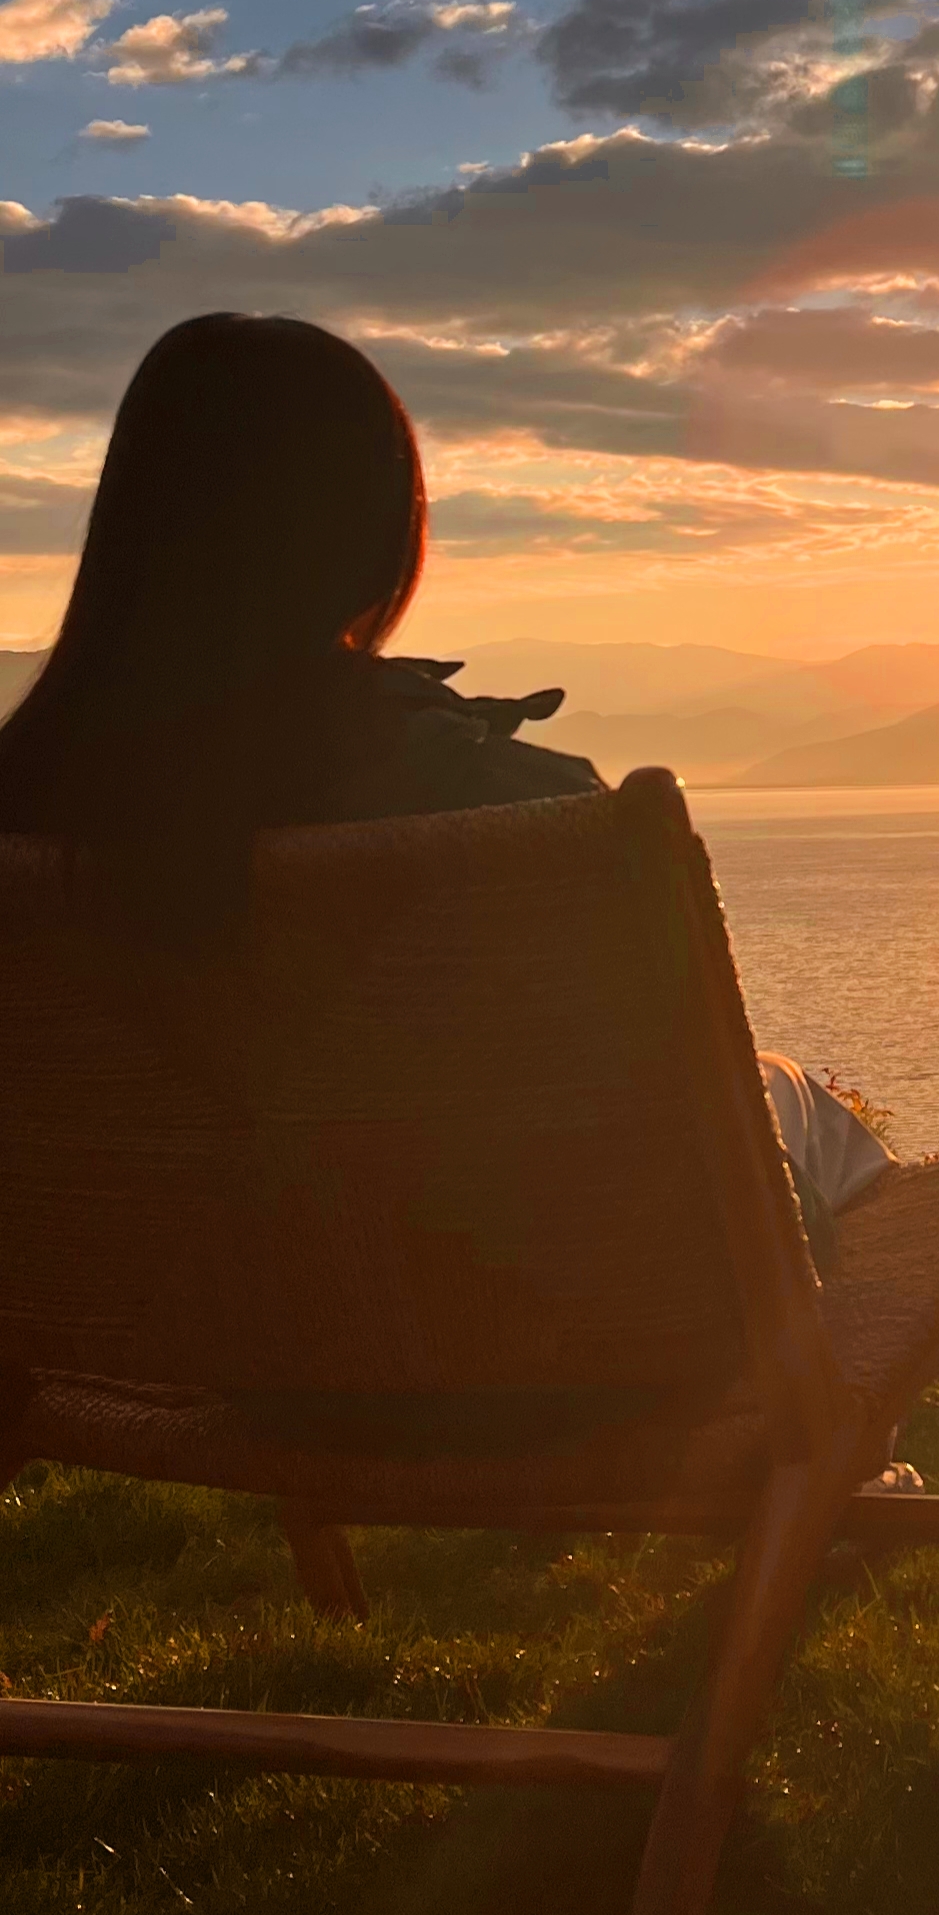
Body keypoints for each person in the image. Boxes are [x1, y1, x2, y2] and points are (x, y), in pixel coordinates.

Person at [0, 312, 889, 1248]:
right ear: (378, 531)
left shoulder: (32, 812)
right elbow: (679, 1139)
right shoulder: (515, 815)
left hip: (160, 1330)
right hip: (545, 1355)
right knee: (792, 1108)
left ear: (131, 525)